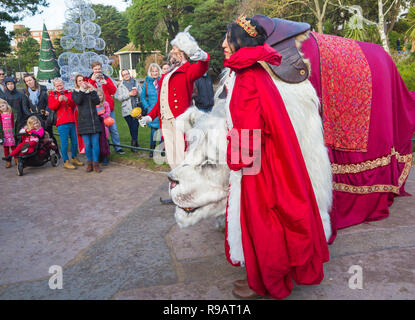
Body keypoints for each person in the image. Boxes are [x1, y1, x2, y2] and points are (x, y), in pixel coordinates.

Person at [221, 15, 329, 300]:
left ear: (240, 42)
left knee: (262, 220)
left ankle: (267, 279)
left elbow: (247, 130)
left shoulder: (246, 77)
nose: (223, 44)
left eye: (228, 39)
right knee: (275, 215)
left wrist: (237, 165)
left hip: (259, 164)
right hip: (272, 157)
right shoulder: (257, 71)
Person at [139, 26, 210, 169]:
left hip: (179, 120)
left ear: (181, 53)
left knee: (183, 156)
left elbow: (202, 68)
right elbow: (161, 101)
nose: (171, 52)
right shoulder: (166, 74)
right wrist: (149, 116)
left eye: (174, 50)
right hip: (165, 121)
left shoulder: (187, 70)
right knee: (171, 156)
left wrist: (203, 57)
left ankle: (186, 185)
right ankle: (176, 184)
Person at [87, 61, 125, 155]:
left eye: (99, 69)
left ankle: (118, 147)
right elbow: (88, 91)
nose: (97, 71)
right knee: (100, 130)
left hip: (108, 108)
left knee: (113, 128)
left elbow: (113, 91)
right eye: (95, 69)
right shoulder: (89, 79)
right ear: (92, 70)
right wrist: (92, 81)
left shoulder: (106, 78)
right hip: (96, 109)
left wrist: (106, 83)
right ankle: (103, 146)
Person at [48, 78, 84, 170]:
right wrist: (58, 100)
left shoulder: (69, 93)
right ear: (54, 86)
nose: (59, 87)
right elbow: (52, 107)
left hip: (72, 121)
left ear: (63, 84)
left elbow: (74, 105)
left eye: (61, 85)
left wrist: (67, 100)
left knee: (75, 142)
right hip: (61, 122)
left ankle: (74, 157)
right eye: (57, 86)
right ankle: (66, 161)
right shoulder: (52, 94)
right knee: (64, 143)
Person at [72, 75, 102, 173]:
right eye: (79, 81)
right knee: (87, 145)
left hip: (94, 121)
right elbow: (78, 101)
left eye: (83, 80)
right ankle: (89, 163)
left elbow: (97, 101)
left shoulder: (91, 92)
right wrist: (82, 90)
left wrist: (92, 90)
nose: (82, 82)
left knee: (96, 144)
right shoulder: (75, 93)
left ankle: (96, 164)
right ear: (77, 83)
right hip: (83, 122)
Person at [23, 74, 55, 141]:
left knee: (49, 135)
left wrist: (47, 110)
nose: (29, 82)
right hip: (34, 118)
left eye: (30, 80)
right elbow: (25, 106)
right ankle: (42, 151)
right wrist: (30, 115)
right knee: (38, 137)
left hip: (44, 116)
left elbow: (48, 102)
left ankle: (56, 150)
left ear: (34, 80)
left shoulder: (43, 88)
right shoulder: (25, 92)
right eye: (27, 81)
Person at [140, 63, 162, 157]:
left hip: (162, 109)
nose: (155, 73)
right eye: (153, 71)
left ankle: (161, 151)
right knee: (153, 130)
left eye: (156, 71)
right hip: (152, 110)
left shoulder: (162, 80)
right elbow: (142, 97)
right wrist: (147, 107)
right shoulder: (147, 82)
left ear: (159, 71)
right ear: (150, 72)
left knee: (162, 131)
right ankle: (152, 150)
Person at [118, 69, 141, 151]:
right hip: (127, 110)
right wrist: (129, 94)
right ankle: (135, 143)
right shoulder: (121, 86)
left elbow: (141, 94)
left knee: (136, 126)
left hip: (136, 108)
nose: (126, 75)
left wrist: (137, 93)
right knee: (131, 127)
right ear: (122, 76)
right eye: (124, 75)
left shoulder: (135, 82)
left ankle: (134, 144)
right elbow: (119, 98)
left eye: (127, 73)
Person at [96, 88, 111, 166]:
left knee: (104, 141)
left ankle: (105, 156)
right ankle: (99, 156)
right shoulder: (94, 105)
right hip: (96, 126)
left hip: (104, 125)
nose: (99, 97)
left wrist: (102, 115)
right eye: (97, 95)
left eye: (100, 95)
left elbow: (108, 113)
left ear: (103, 96)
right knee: (98, 142)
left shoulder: (105, 104)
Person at [0, 98, 16, 168]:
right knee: (6, 148)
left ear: (6, 104)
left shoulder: (11, 113)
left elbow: (14, 122)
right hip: (4, 134)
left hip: (11, 133)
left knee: (13, 147)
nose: (2, 108)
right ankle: (8, 160)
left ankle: (16, 158)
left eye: (3, 105)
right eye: (0, 107)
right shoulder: (0, 115)